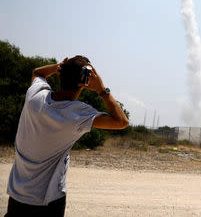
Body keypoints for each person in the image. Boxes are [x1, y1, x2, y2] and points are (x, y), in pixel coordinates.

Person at [5, 55, 129, 216]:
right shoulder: (76, 113)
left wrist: (58, 67)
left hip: (17, 195)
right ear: (85, 82)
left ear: (59, 74)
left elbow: (37, 72)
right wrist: (102, 90)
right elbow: (122, 121)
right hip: (47, 201)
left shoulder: (35, 96)